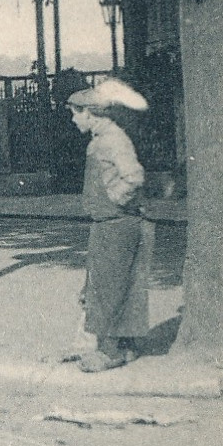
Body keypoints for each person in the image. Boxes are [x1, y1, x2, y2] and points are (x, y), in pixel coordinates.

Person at [67, 79, 150, 373]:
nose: (74, 119)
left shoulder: (114, 140)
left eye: (75, 113)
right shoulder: (100, 140)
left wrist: (115, 200)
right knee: (104, 284)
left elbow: (134, 177)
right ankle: (125, 347)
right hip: (107, 222)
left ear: (89, 113)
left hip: (117, 223)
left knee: (108, 287)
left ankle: (109, 351)